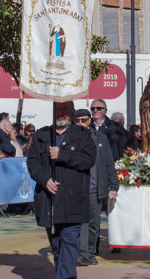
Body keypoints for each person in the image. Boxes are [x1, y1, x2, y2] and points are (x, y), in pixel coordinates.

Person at [27, 101, 96, 279]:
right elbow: (32, 162)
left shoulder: (83, 135)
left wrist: (63, 155)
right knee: (57, 246)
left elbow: (89, 160)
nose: (62, 113)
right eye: (59, 109)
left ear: (72, 112)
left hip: (73, 201)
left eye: (66, 110)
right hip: (49, 201)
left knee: (70, 242)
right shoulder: (42, 135)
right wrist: (45, 180)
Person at [74, 109, 119, 266]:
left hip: (95, 188)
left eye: (83, 120)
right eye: (77, 120)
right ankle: (83, 254)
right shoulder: (70, 138)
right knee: (81, 223)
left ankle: (91, 252)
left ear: (89, 121)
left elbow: (108, 163)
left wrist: (114, 185)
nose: (80, 123)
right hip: (77, 190)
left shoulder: (100, 138)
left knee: (93, 225)